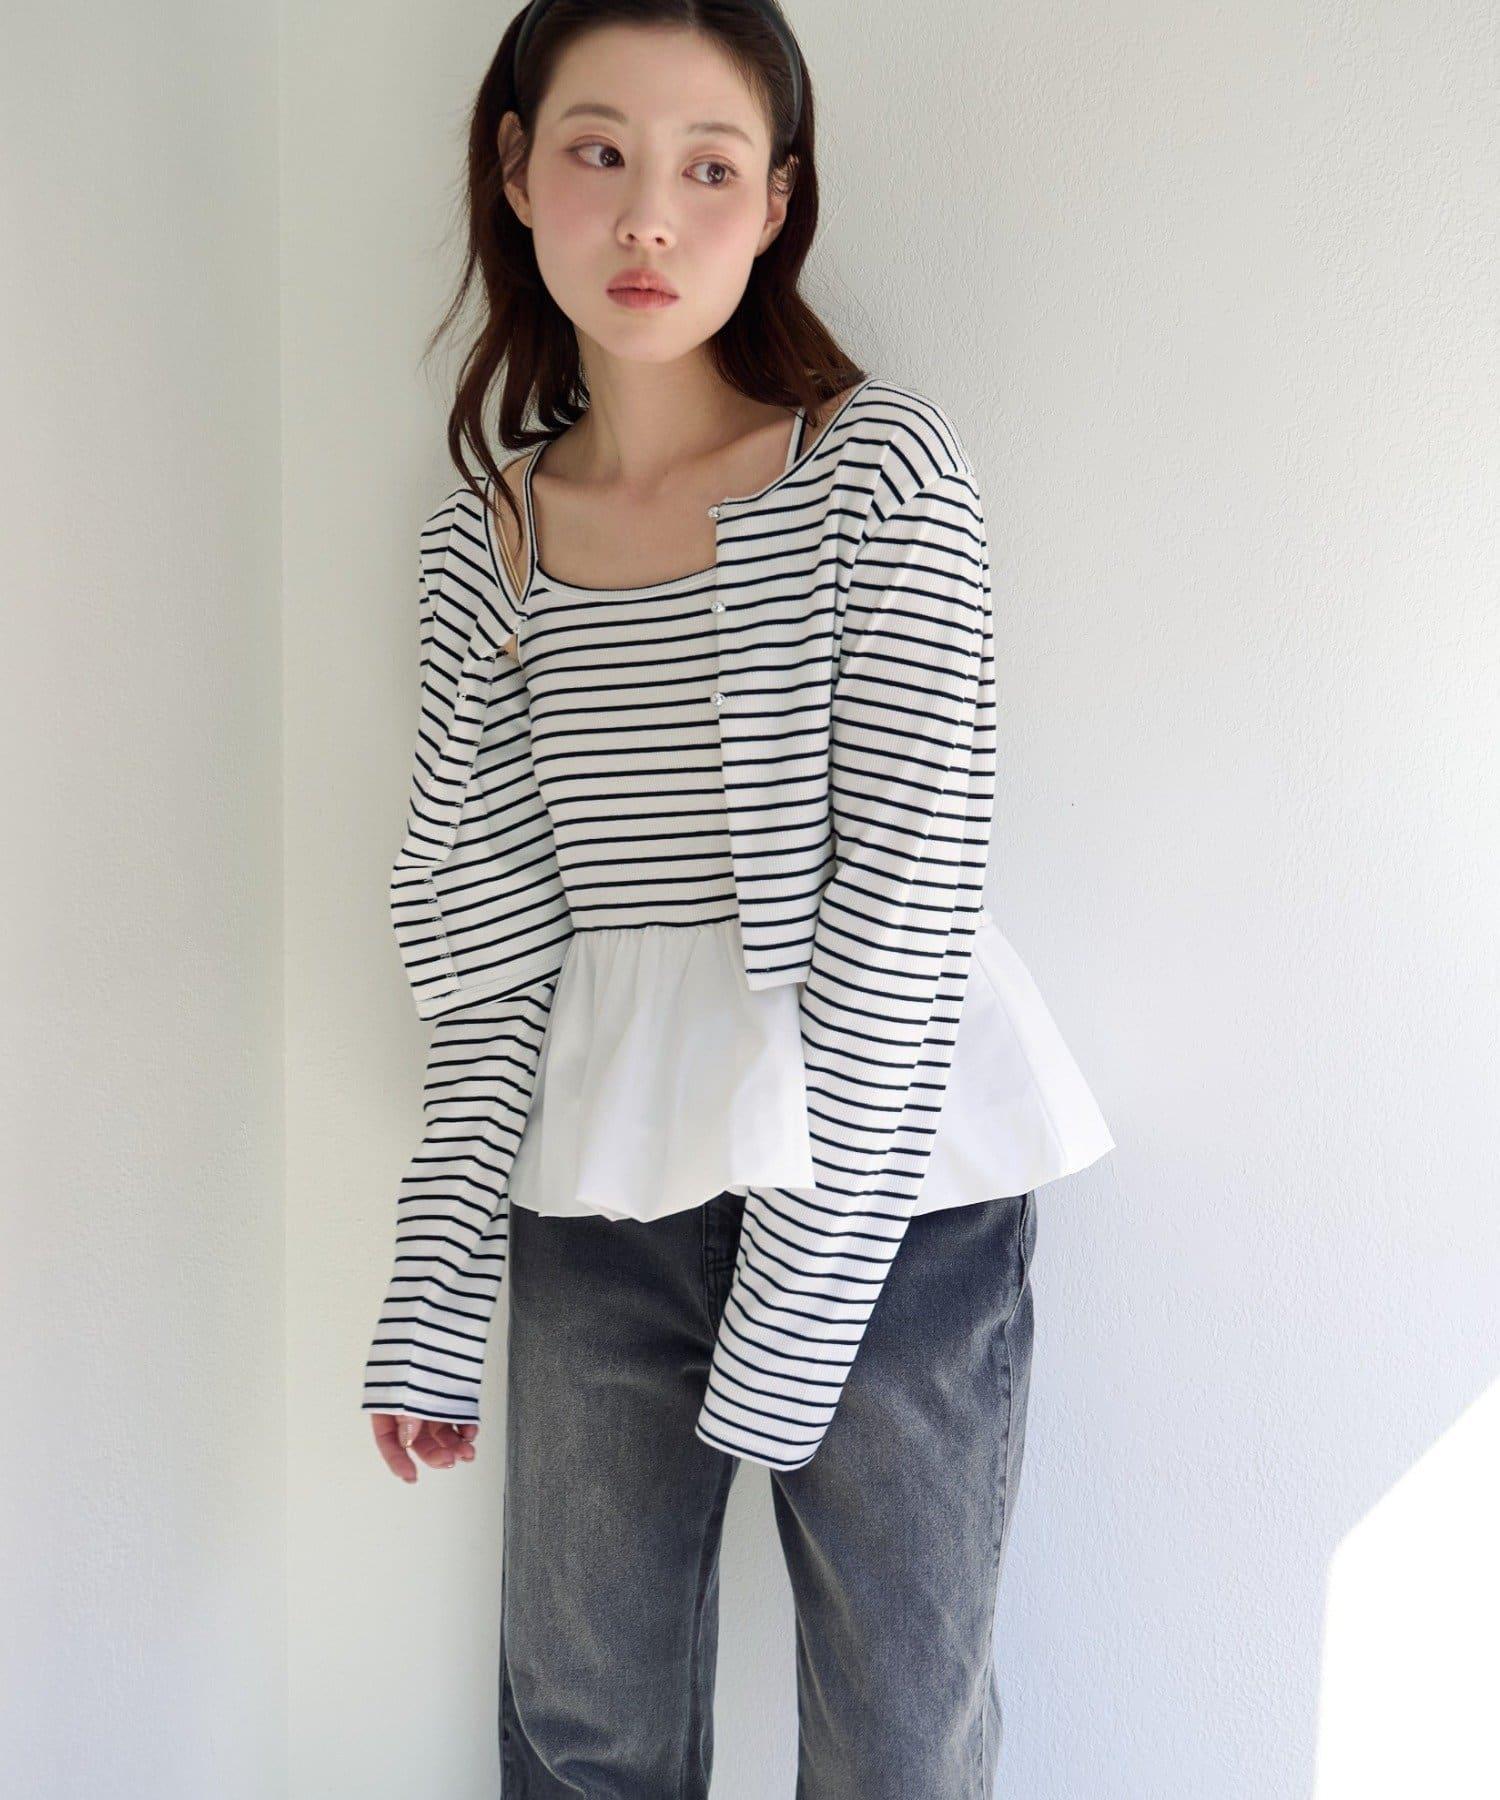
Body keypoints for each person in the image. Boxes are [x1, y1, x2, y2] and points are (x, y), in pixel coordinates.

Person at [362, 2, 1114, 1793]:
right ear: (516, 169)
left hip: (897, 1185)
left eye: (709, 170)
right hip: (607, 1184)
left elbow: (904, 903)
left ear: (776, 203)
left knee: (896, 1741)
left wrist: (793, 1311)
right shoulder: (489, 537)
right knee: (583, 1730)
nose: (648, 216)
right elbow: (486, 943)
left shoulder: (877, 472)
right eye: (599, 151)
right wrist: (433, 1291)